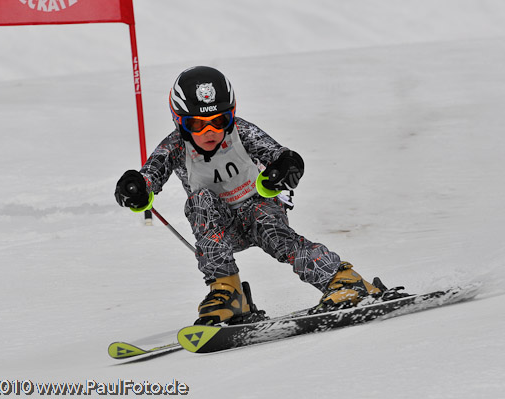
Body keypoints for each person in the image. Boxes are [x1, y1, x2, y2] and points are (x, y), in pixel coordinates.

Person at [115, 66, 399, 326]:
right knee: (200, 199)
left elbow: (279, 155)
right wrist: (136, 187)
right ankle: (229, 293)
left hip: (259, 209)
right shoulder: (176, 146)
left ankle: (344, 281)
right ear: (179, 122)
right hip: (219, 230)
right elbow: (151, 174)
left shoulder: (241, 132)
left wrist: (286, 168)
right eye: (197, 125)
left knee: (272, 230)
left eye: (220, 120)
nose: (210, 132)